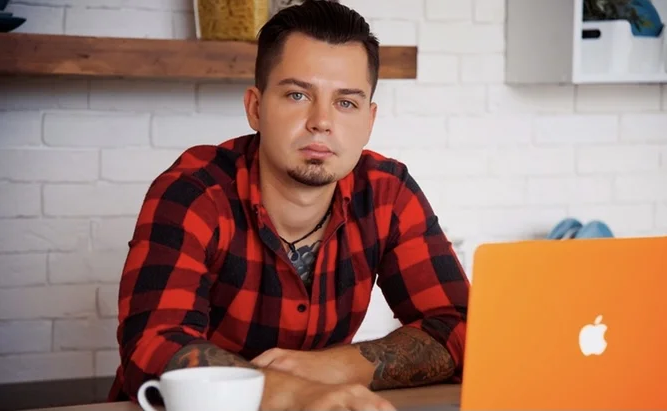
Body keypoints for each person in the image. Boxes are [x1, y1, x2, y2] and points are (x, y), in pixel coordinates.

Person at [108, 1, 470, 410]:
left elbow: (459, 327)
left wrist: (332, 368)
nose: (321, 121)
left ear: (369, 121)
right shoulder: (195, 191)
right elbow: (153, 344)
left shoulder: (388, 191)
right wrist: (292, 391)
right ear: (255, 108)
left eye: (346, 103)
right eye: (297, 95)